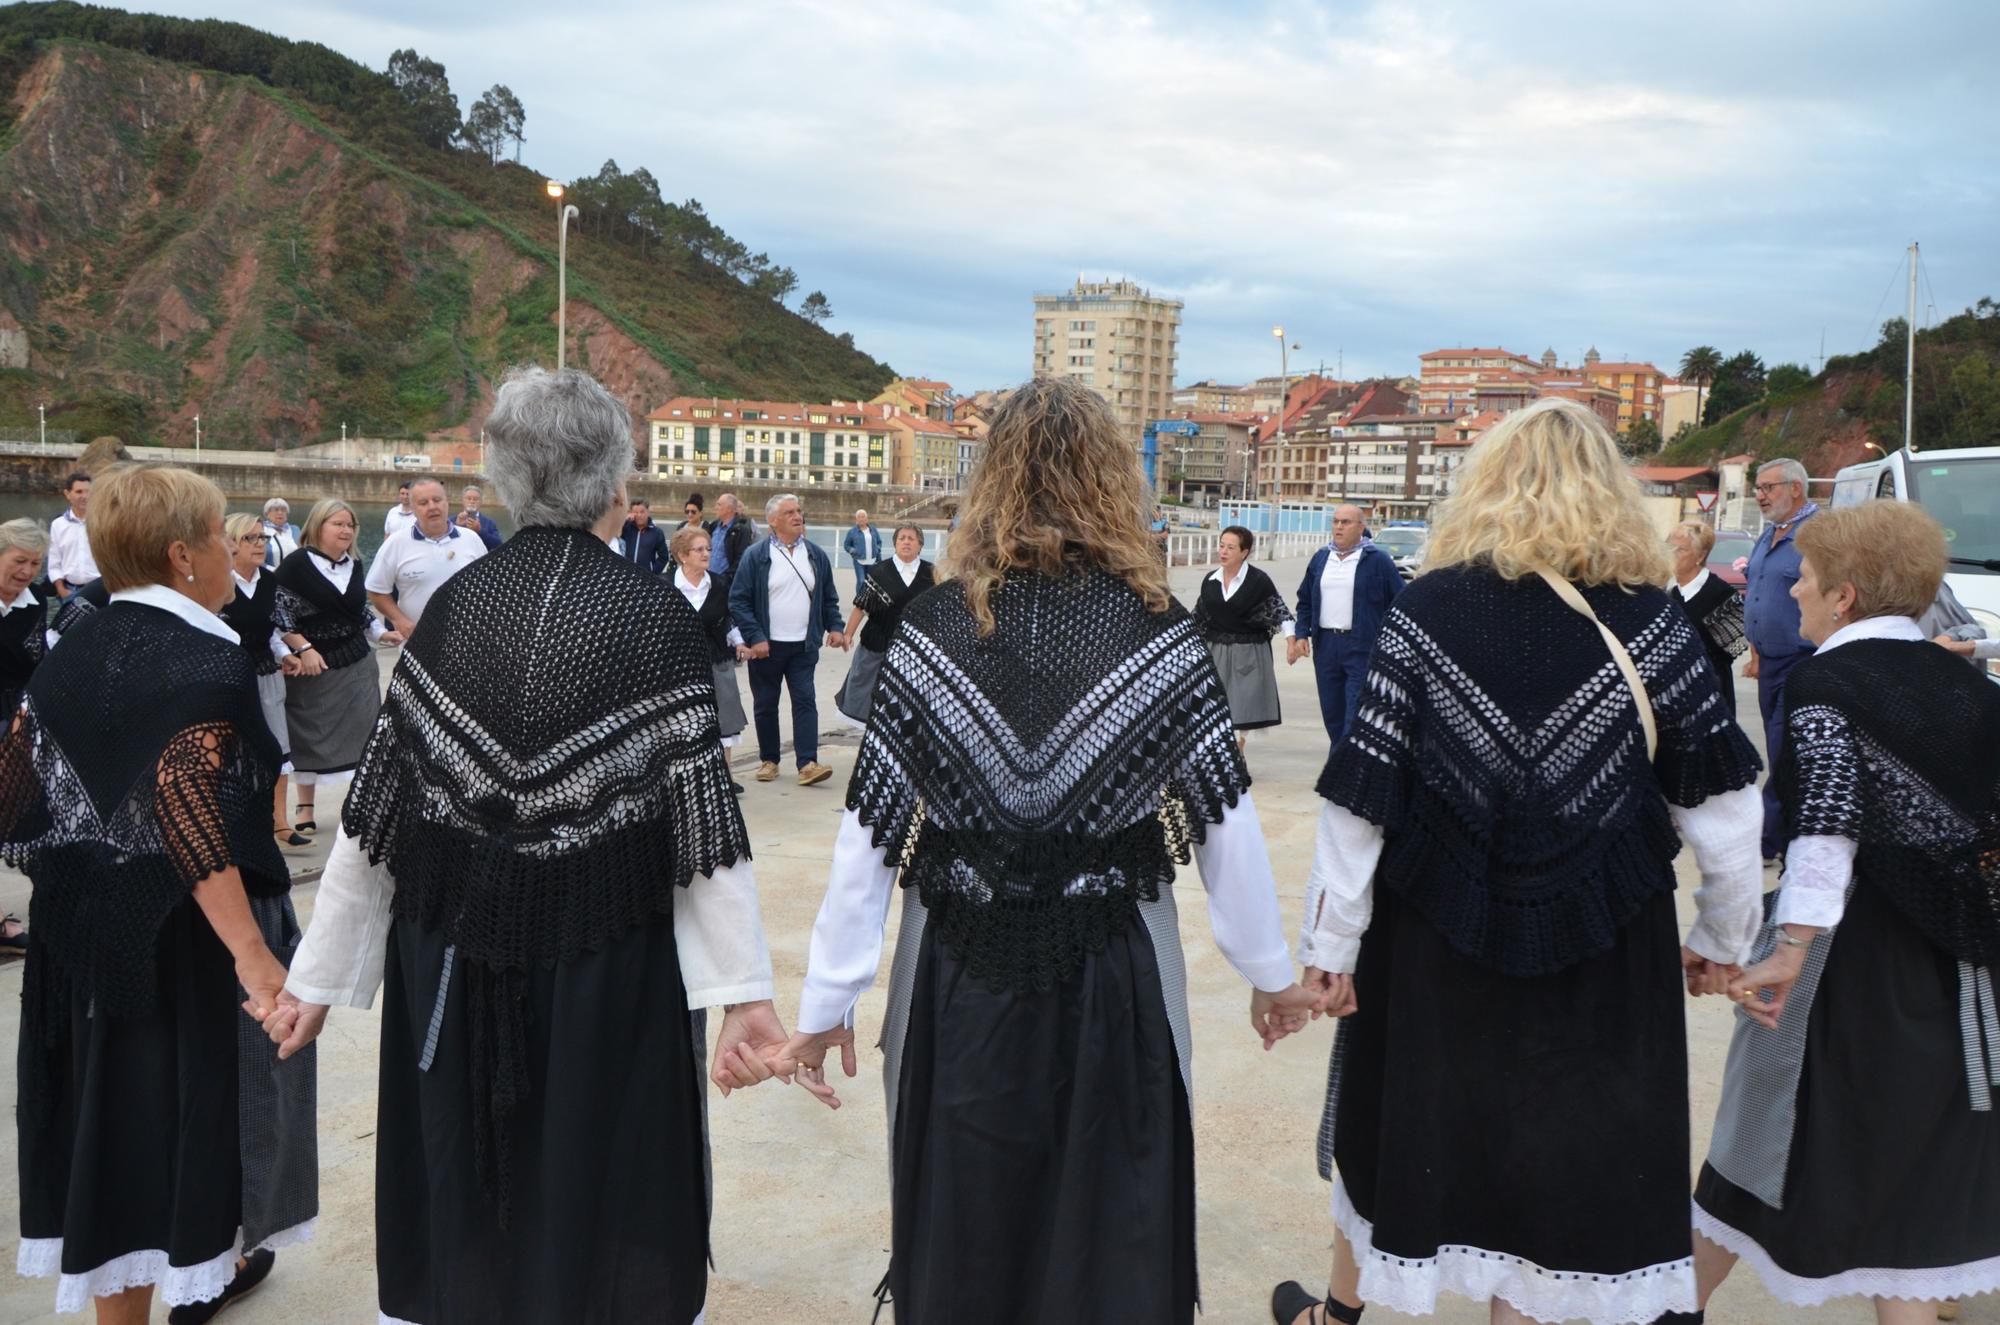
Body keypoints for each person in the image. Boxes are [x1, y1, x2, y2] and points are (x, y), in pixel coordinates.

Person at [776, 375, 1315, 1324]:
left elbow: (869, 841)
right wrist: (1269, 973)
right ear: (1112, 485)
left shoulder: (933, 632)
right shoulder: (1160, 637)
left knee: (967, 1220)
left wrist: (826, 1004)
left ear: (993, 483)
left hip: (958, 977)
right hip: (1112, 973)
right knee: (1113, 1229)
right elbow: (1224, 825)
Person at [267, 366, 784, 1325]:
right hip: (609, 969)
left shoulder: (454, 610)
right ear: (618, 485)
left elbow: (376, 820)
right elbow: (706, 840)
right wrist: (743, 995)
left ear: (505, 478)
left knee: (466, 1200)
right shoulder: (655, 618)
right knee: (607, 1202)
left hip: (458, 965)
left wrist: (318, 974)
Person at [1272, 398, 1764, 1325]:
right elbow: (1728, 813)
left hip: (1438, 945)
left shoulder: (1427, 612)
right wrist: (1720, 939)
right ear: (1612, 497)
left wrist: (1329, 949)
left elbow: (1358, 808)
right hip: (1606, 946)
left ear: (1486, 487)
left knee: (1445, 1157)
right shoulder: (1656, 622)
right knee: (1560, 1191)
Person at [2, 465, 314, 1324]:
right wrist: (255, 957)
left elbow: (16, 796)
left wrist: (93, 842)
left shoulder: (73, 646)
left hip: (74, 941)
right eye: (218, 536)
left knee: (109, 1158)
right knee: (169, 1155)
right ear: (183, 554)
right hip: (171, 947)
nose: (229, 549)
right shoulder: (206, 658)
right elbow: (186, 811)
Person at [1690, 500, 2000, 1324]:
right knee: (1913, 1181)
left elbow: (1826, 827)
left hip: (1848, 959)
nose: (1794, 594)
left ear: (1847, 596)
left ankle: (1675, 1306)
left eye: (1809, 580)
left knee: (1761, 1142)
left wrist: (1788, 948)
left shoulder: (1830, 682)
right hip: (1956, 974)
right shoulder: (1970, 685)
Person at [272, 499, 402, 837]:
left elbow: (358, 613)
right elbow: (278, 614)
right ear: (318, 526)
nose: (345, 531)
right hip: (313, 666)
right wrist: (304, 648)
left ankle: (358, 803)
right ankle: (305, 806)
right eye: (338, 524)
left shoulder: (355, 564)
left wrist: (381, 632)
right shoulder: (297, 564)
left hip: (357, 663)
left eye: (350, 525)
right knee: (309, 735)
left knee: (364, 734)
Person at [728, 493, 845, 786]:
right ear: (773, 521)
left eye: (799, 511)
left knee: (805, 700)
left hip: (804, 645)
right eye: (790, 512)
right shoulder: (756, 556)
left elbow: (829, 597)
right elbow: (738, 601)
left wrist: (835, 627)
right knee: (766, 704)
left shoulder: (816, 555)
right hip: (767, 646)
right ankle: (769, 760)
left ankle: (807, 763)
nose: (797, 517)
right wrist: (755, 637)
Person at [1742, 458, 1818, 860]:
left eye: (1768, 487)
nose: (1760, 495)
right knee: (1777, 751)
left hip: (1803, 660)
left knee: (1786, 749)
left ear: (1795, 489)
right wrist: (1755, 652)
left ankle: (1777, 839)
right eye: (1758, 487)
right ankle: (1780, 835)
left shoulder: (1817, 534)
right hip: (1769, 662)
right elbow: (1757, 592)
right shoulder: (1770, 533)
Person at [220, 514, 309, 850]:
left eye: (263, 538)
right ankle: (238, 823)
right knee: (234, 750)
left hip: (265, 672)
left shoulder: (269, 580)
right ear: (230, 543)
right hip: (230, 675)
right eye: (251, 539)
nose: (260, 544)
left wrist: (284, 653)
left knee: (277, 748)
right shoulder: (219, 582)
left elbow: (272, 627)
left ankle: (280, 822)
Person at [1284, 504, 1403, 747]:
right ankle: (1344, 766)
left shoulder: (1377, 560)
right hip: (1326, 646)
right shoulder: (1321, 558)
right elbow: (1305, 600)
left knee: (1354, 715)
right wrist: (1301, 634)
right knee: (1333, 715)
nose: (1338, 526)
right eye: (1336, 521)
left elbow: (1401, 600)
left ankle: (1341, 775)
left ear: (1361, 527)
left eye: (1346, 522)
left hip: (1362, 646)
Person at [1192, 525, 1291, 746]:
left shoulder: (1258, 580)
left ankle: (1239, 748)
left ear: (1244, 552)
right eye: (1221, 546)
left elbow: (1279, 611)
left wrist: (1292, 641)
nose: (1223, 552)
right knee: (1214, 703)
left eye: (1230, 547)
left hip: (1248, 651)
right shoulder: (1210, 580)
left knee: (1243, 704)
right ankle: (1222, 750)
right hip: (1215, 650)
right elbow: (1199, 616)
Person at [670, 523, 751, 792]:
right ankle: (681, 779)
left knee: (724, 716)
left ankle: (724, 778)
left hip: (717, 659)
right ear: (683, 555)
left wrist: (740, 643)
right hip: (679, 663)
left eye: (708, 549)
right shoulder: (665, 584)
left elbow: (726, 619)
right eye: (699, 550)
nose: (706, 554)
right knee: (682, 721)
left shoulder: (719, 583)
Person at [834, 523, 932, 723]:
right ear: (895, 544)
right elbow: (861, 607)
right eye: (901, 538)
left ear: (920, 545)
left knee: (911, 699)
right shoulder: (880, 571)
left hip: (915, 647)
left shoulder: (932, 573)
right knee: (867, 693)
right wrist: (848, 635)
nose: (906, 542)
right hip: (878, 642)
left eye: (911, 538)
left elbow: (939, 611)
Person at [365, 478, 487, 636]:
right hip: (418, 644)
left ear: (447, 502)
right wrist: (400, 620)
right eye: (423, 503)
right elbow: (376, 590)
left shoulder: (471, 539)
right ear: (413, 508)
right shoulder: (396, 543)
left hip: (466, 642)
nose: (432, 507)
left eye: (437, 500)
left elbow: (487, 586)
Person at [1668, 520, 1749, 718]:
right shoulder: (1666, 591)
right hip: (1672, 695)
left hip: (1709, 693)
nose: (1671, 554)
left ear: (1700, 555)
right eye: (1668, 547)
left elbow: (1735, 647)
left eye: (1680, 550)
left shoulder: (1720, 593)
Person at [0, 518, 48, 716]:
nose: (27, 571)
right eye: (20, 561)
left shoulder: (36, 599)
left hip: (23, 711)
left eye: (35, 563)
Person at [46, 471, 97, 601]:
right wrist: (61, 590)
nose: (84, 496)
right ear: (67, 494)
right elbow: (54, 562)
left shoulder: (102, 523)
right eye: (79, 492)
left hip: (99, 590)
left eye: (88, 491)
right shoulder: (58, 525)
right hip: (69, 591)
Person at [709, 492, 754, 582]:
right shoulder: (714, 526)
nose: (715, 508)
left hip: (726, 583)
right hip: (709, 579)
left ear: (729, 509)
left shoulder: (741, 530)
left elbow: (741, 558)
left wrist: (727, 578)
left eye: (719, 505)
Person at [617, 497, 669, 574]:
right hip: (626, 573)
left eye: (642, 512)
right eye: (636, 512)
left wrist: (652, 572)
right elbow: (613, 535)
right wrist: (624, 520)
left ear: (648, 512)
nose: (639, 515)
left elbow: (664, 557)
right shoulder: (626, 528)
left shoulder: (657, 532)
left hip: (646, 576)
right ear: (631, 513)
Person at [841, 507, 882, 592]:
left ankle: (868, 602)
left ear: (867, 519)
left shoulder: (873, 529)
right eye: (859, 517)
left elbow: (879, 542)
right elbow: (846, 545)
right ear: (856, 519)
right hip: (859, 561)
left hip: (872, 561)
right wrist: (852, 550)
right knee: (861, 581)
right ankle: (859, 602)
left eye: (863, 516)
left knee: (870, 583)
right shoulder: (852, 532)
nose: (861, 518)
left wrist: (877, 549)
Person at [456, 484, 502, 551]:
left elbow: (498, 544)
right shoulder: (451, 521)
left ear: (481, 502)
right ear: (463, 501)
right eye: (469, 498)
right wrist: (457, 526)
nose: (472, 501)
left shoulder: (490, 523)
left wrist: (480, 531)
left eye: (476, 499)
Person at [261, 498, 301, 572]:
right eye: (276, 510)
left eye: (283, 510)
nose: (280, 513)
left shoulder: (295, 529)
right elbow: (255, 560)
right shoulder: (261, 530)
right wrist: (276, 571)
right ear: (267, 514)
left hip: (295, 575)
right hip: (270, 575)